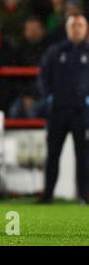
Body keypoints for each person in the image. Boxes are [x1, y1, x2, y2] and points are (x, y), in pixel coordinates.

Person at [38, 13, 89, 205]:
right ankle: (48, 194)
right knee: (53, 154)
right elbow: (43, 76)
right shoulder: (56, 51)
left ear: (85, 29)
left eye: (80, 25)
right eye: (73, 26)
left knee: (83, 156)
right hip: (58, 111)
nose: (76, 29)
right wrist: (49, 97)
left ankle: (84, 195)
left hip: (81, 112)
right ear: (68, 29)